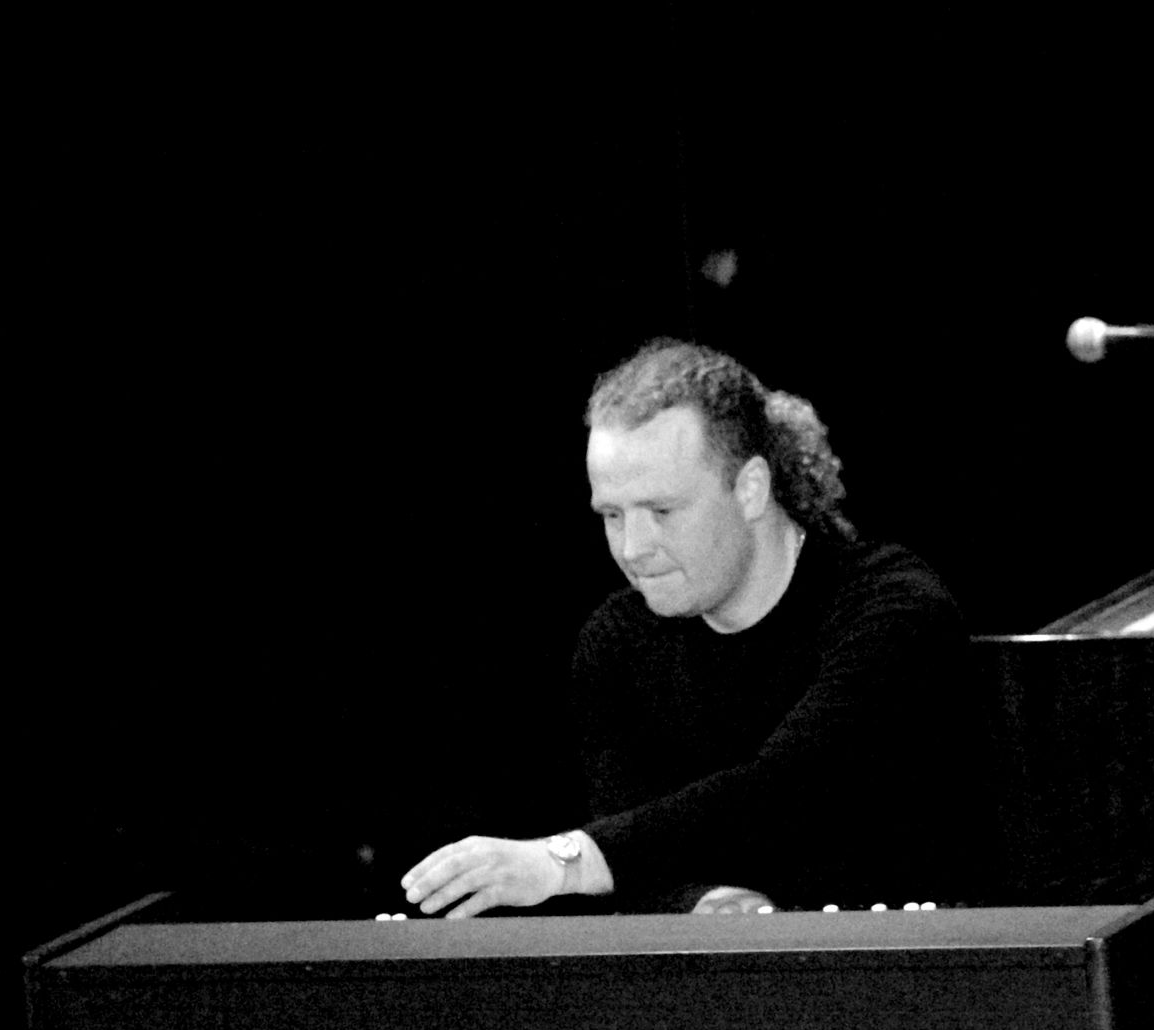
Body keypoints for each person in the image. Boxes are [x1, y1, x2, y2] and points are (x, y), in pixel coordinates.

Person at [401, 339, 996, 917]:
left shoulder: (893, 609)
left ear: (750, 488)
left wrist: (565, 861)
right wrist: (705, 904)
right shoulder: (619, 641)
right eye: (612, 515)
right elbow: (636, 844)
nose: (633, 548)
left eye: (662, 511)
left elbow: (788, 791)